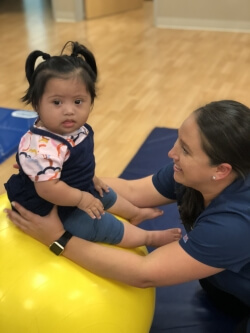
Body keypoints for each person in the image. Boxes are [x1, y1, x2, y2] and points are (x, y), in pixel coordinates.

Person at [5, 100, 250, 332]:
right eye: (178, 140)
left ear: (221, 170)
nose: (171, 152)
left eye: (185, 150)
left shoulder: (234, 224)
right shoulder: (195, 173)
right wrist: (53, 179)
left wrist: (58, 238)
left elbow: (144, 272)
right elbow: (133, 191)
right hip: (224, 282)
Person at [4, 41, 182, 249]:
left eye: (78, 102)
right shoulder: (42, 147)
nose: (69, 110)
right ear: (36, 104)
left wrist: (92, 178)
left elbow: (77, 162)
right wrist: (81, 199)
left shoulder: (76, 129)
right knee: (99, 225)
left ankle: (135, 213)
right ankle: (148, 238)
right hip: (54, 207)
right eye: (57, 102)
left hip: (75, 188)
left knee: (108, 194)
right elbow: (47, 189)